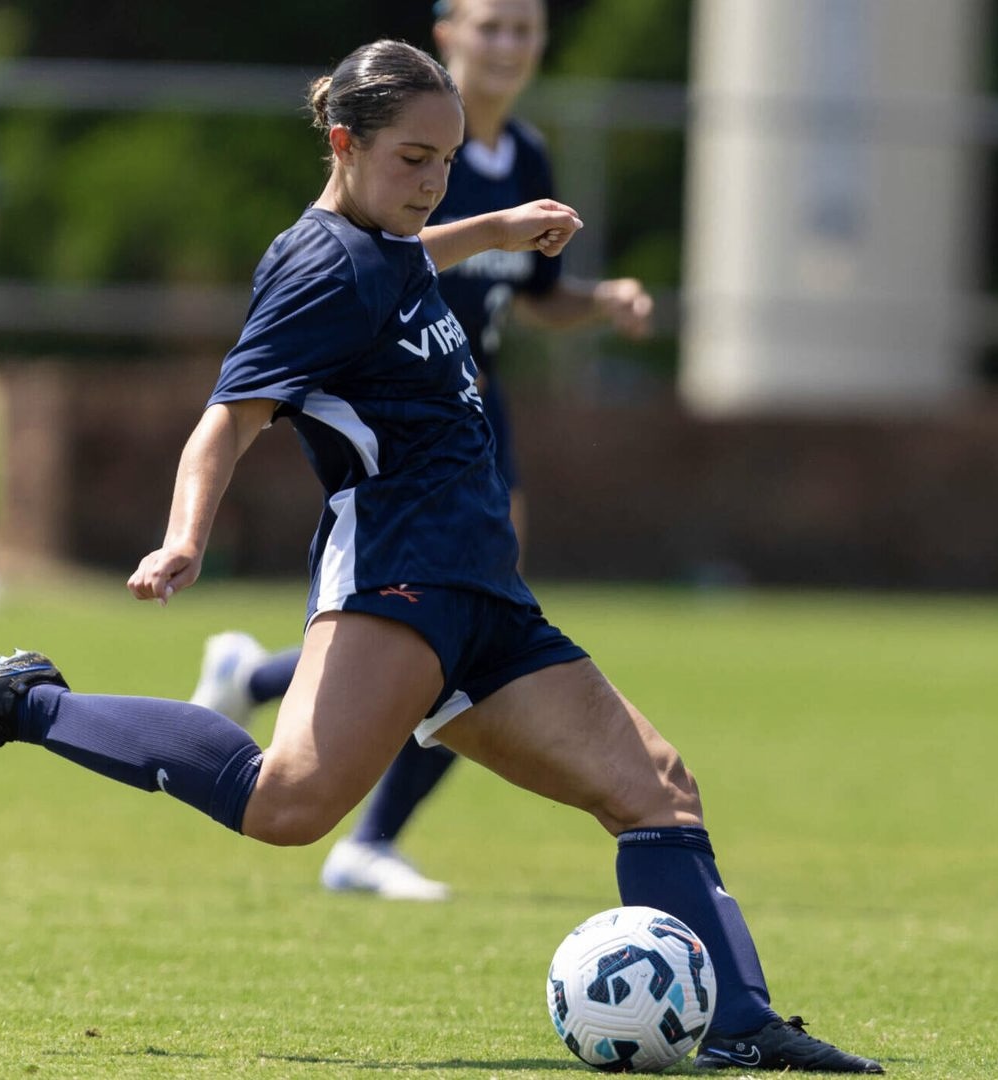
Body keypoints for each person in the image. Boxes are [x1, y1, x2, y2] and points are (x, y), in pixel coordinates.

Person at [0, 41, 882, 1073]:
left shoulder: (389, 240)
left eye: (446, 160)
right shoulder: (315, 265)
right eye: (413, 158)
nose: (431, 181)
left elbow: (413, 257)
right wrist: (185, 536)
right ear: (343, 143)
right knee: (286, 805)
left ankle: (741, 1028)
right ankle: (30, 703)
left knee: (657, 790)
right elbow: (226, 423)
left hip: (488, 591)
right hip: (397, 575)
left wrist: (503, 227)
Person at [189, 0, 655, 903]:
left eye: (526, 30)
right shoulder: (397, 141)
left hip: (472, 406)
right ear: (446, 37)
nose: (510, 47)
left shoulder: (523, 157)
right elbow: (376, 275)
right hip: (396, 410)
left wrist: (600, 302)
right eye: (492, 27)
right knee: (453, 610)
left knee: (472, 603)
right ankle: (363, 829)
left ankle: (266, 693)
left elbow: (535, 293)